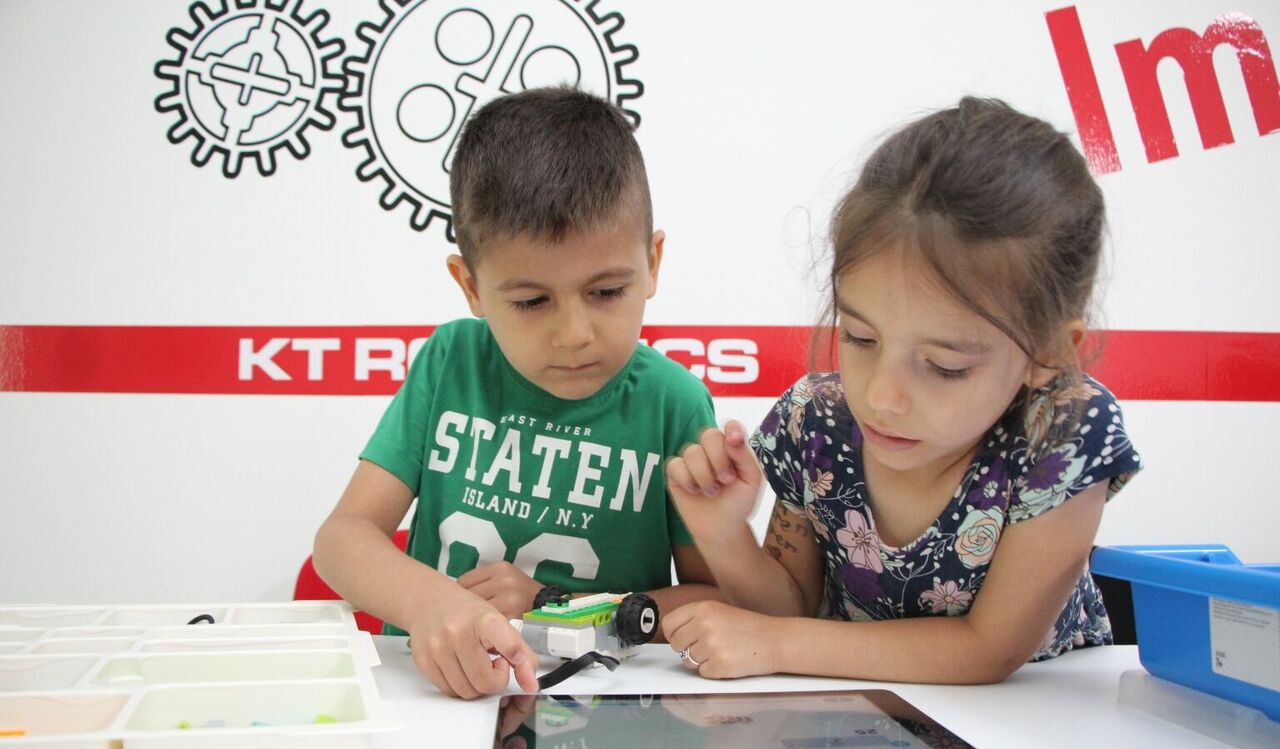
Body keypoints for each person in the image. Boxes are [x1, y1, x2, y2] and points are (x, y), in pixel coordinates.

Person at [664, 97, 1142, 684]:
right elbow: (787, 610)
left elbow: (987, 649)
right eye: (860, 338)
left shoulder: (1064, 433)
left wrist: (778, 644)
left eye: (944, 366)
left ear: (1049, 353)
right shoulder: (814, 421)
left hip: (1039, 718)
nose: (882, 398)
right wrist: (722, 534)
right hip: (862, 716)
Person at [314, 87, 720, 699]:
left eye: (607, 292)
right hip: (434, 696)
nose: (574, 334)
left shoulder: (673, 404)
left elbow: (710, 599)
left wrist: (554, 604)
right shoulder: (451, 363)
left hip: (601, 704)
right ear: (471, 286)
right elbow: (342, 538)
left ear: (653, 262)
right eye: (531, 301)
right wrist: (431, 604)